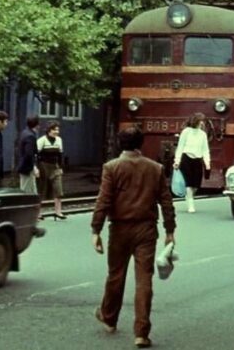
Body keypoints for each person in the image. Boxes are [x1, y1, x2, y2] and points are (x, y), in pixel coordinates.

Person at [91, 127, 176, 349]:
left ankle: (109, 318)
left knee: (115, 275)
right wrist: (170, 230)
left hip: (119, 230)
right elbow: (166, 201)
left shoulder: (111, 167)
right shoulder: (155, 168)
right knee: (144, 280)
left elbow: (104, 200)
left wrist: (95, 230)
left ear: (120, 144)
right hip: (146, 231)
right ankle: (141, 333)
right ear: (141, 143)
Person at [173, 112, 211, 213]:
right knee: (189, 183)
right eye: (200, 121)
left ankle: (189, 196)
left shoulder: (203, 134)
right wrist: (177, 161)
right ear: (196, 121)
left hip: (198, 159)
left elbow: (205, 150)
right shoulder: (186, 132)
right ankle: (191, 204)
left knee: (196, 185)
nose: (202, 123)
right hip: (186, 158)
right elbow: (180, 147)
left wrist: (207, 162)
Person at [38, 121, 66, 220]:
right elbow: (37, 155)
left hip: (55, 166)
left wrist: (61, 167)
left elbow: (60, 155)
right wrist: (37, 168)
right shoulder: (42, 140)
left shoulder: (59, 140)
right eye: (55, 130)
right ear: (49, 130)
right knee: (42, 189)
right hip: (44, 166)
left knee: (58, 189)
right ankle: (38, 213)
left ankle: (58, 211)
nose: (57, 132)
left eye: (58, 130)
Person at [18, 115, 41, 194]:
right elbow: (29, 154)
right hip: (27, 168)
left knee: (31, 190)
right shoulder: (30, 136)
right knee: (27, 191)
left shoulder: (25, 132)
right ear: (37, 125)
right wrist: (34, 167)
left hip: (24, 166)